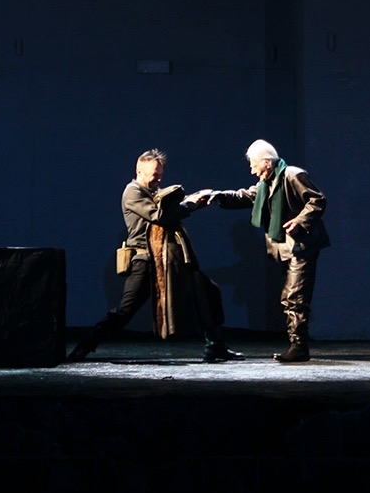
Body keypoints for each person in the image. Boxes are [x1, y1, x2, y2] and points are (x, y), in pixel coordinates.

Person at [67, 149, 241, 363]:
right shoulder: (132, 192)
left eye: (160, 174)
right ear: (139, 171)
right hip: (146, 260)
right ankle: (85, 346)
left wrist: (195, 198)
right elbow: (159, 215)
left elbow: (167, 205)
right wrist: (189, 205)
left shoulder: (152, 192)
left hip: (167, 259)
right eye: (154, 174)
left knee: (208, 290)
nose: (158, 179)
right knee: (125, 309)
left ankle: (215, 345)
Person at [191, 139, 328, 363]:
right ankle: (297, 344)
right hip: (284, 248)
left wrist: (300, 221)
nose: (252, 170)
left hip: (301, 245)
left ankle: (299, 347)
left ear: (266, 162)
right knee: (289, 296)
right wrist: (217, 195)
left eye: (254, 165)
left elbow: (316, 200)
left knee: (295, 297)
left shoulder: (292, 175)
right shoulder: (267, 183)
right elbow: (245, 196)